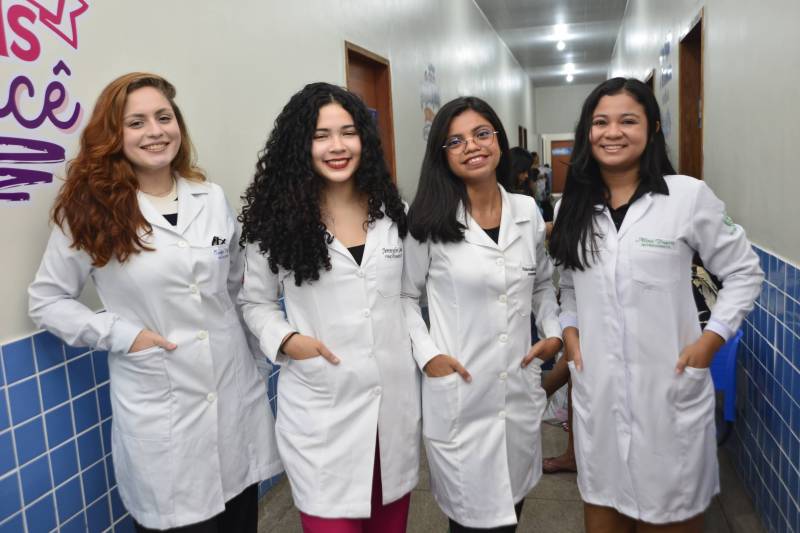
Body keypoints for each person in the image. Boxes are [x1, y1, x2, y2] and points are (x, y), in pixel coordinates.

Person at [28, 73, 281, 532]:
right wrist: (123, 336)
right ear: (114, 135)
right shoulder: (89, 210)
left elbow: (234, 287)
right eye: (137, 122)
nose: (155, 131)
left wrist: (257, 366)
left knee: (240, 520)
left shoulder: (210, 197)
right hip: (163, 418)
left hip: (233, 403)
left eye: (164, 117)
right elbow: (46, 300)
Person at [549, 77, 763, 532]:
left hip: (669, 393)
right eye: (601, 122)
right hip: (600, 396)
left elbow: (745, 272)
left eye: (628, 120)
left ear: (653, 128)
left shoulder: (687, 196)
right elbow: (569, 283)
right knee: (602, 510)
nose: (613, 132)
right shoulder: (573, 205)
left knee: (671, 515)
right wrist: (570, 333)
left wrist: (710, 342)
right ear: (588, 131)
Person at [238, 82, 419, 533]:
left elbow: (407, 297)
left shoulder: (393, 212)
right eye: (321, 135)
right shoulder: (273, 222)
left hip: (392, 409)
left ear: (364, 140)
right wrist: (287, 340)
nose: (337, 146)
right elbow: (255, 302)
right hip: (323, 415)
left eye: (348, 132)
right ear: (300, 146)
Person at [403, 96, 563, 532]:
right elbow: (403, 297)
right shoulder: (428, 219)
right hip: (462, 395)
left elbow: (542, 284)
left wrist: (552, 332)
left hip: (518, 393)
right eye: (455, 141)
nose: (471, 146)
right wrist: (429, 357)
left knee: (512, 512)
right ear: (442, 154)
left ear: (498, 140)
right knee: (471, 523)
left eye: (481, 133)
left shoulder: (526, 212)